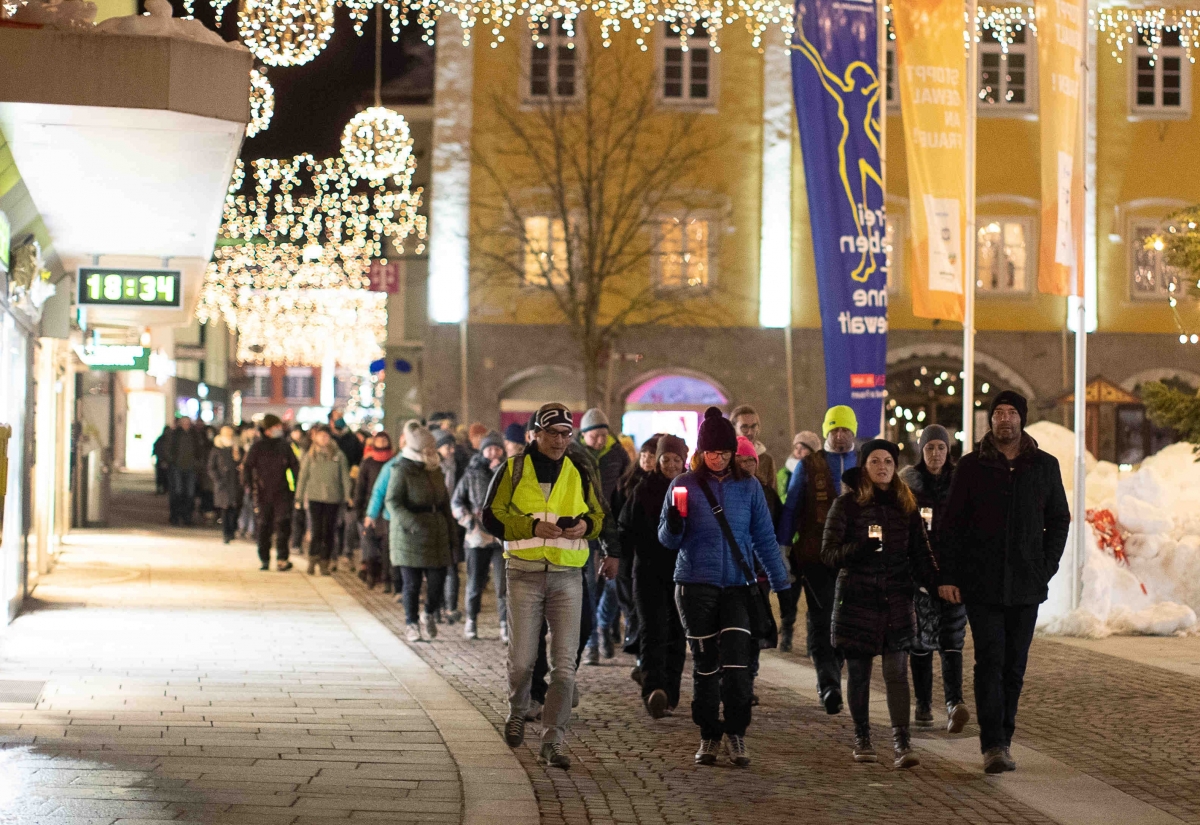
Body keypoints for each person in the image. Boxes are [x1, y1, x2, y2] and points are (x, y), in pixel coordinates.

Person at [940, 391, 1070, 774]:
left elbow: (1059, 519)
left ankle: (1005, 737)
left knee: (1014, 666)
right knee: (989, 661)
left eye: (1012, 413)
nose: (1005, 420)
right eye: (999, 413)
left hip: (1027, 584)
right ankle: (992, 744)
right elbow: (952, 526)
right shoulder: (970, 467)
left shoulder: (1044, 466)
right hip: (982, 584)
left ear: (1022, 419)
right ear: (990, 420)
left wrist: (1045, 564)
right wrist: (949, 574)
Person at [660, 407, 789, 768]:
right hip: (694, 584)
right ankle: (708, 735)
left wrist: (781, 582)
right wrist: (673, 522)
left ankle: (736, 732)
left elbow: (764, 538)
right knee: (705, 666)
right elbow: (668, 541)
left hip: (736, 585)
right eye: (712, 453)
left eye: (725, 453)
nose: (718, 459)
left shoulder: (748, 488)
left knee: (737, 666)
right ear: (701, 453)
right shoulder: (683, 484)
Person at [483, 402, 609, 770]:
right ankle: (518, 708)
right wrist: (531, 527)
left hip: (568, 576)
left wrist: (587, 527)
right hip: (523, 573)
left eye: (566, 433)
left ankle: (553, 739)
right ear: (535, 434)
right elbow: (491, 516)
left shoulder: (580, 467)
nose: (560, 440)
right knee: (523, 661)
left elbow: (600, 515)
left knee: (565, 667)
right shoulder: (513, 468)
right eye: (552, 433)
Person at [821, 439, 942, 769]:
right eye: (875, 461)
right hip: (858, 600)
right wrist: (859, 548)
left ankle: (902, 741)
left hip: (896, 599)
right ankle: (862, 736)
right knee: (859, 674)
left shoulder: (906, 506)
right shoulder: (846, 506)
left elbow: (921, 554)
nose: (883, 467)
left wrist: (938, 583)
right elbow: (829, 554)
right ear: (864, 467)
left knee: (896, 673)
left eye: (888, 461)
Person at [775, 405, 858, 702]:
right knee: (822, 617)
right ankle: (828, 682)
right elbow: (791, 509)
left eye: (845, 430)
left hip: (854, 560)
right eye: (834, 430)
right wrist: (783, 549)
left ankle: (835, 667)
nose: (839, 436)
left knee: (847, 618)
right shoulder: (808, 466)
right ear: (826, 432)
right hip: (816, 557)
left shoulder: (864, 463)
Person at [899, 425, 970, 733]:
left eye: (941, 448)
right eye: (930, 448)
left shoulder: (961, 484)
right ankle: (924, 703)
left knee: (953, 639)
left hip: (955, 573)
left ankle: (955, 702)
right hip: (919, 576)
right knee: (921, 642)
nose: (936, 454)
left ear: (948, 450)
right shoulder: (909, 485)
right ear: (922, 451)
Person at [620, 435, 687, 717]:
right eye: (665, 460)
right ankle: (653, 690)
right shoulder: (643, 489)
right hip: (648, 570)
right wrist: (616, 561)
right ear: (658, 462)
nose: (671, 465)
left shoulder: (690, 489)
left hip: (683, 572)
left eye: (676, 460)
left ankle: (670, 693)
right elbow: (625, 528)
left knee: (677, 633)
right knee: (652, 629)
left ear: (684, 461)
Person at [387, 425, 458, 642]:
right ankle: (411, 624)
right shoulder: (401, 469)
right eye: (428, 448)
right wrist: (411, 522)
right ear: (418, 450)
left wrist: (452, 532)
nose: (432, 452)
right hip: (410, 536)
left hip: (436, 534)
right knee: (412, 584)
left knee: (438, 580)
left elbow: (445, 503)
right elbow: (392, 501)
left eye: (432, 448)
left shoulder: (435, 469)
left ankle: (428, 613)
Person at [578, 407, 632, 663]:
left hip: (611, 526)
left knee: (613, 584)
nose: (600, 440)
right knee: (589, 586)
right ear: (584, 435)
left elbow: (626, 484)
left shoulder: (617, 453)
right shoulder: (574, 453)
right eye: (594, 436)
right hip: (585, 527)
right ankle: (591, 643)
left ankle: (602, 624)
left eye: (603, 435)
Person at [452, 431, 509, 641]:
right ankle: (472, 621)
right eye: (489, 448)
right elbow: (457, 501)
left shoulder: (509, 472)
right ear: (482, 450)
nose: (493, 452)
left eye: (497, 448)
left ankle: (504, 624)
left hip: (502, 537)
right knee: (475, 582)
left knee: (503, 585)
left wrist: (499, 474)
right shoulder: (471, 473)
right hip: (477, 536)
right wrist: (468, 522)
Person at [241, 414, 299, 571]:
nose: (279, 429)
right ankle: (264, 558)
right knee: (263, 526)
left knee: (283, 525)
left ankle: (282, 558)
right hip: (262, 492)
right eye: (276, 427)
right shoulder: (258, 447)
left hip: (282, 492)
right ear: (267, 429)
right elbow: (247, 467)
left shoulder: (285, 446)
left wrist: (295, 488)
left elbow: (295, 466)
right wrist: (248, 485)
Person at [296, 425, 354, 576]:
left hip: (333, 498)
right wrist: (299, 497)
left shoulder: (338, 455)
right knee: (316, 529)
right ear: (315, 437)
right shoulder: (311, 455)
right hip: (315, 497)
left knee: (329, 531)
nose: (323, 438)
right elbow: (303, 477)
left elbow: (345, 477)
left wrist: (348, 496)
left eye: (326, 436)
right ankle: (313, 558)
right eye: (320, 436)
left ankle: (325, 561)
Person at [355, 431, 395, 588]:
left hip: (388, 510)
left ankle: (386, 576)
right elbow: (361, 487)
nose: (382, 443)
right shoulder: (368, 463)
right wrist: (359, 509)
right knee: (370, 543)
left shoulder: (393, 462)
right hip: (370, 509)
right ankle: (371, 574)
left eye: (385, 440)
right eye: (379, 440)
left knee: (386, 544)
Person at [164, 416, 206, 526]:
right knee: (177, 492)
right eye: (184, 423)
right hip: (177, 467)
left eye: (188, 423)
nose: (186, 425)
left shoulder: (194, 435)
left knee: (190, 494)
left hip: (190, 468)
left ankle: (187, 517)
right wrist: (171, 461)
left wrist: (197, 463)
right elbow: (168, 449)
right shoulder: (175, 434)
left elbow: (199, 450)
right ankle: (175, 516)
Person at [207, 425, 243, 544]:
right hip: (223, 484)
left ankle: (232, 530)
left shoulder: (237, 447)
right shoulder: (217, 449)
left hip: (235, 482)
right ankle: (226, 533)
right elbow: (211, 467)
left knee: (234, 507)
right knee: (225, 508)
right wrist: (217, 480)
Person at [777, 431, 821, 498]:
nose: (798, 452)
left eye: (803, 448)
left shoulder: (821, 472)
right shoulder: (784, 473)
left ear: (813, 452)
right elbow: (779, 499)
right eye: (796, 448)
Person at [288, 427, 310, 555]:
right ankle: (296, 542)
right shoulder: (289, 446)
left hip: (304, 486)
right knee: (297, 516)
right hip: (294, 485)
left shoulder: (306, 449)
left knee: (303, 516)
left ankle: (299, 542)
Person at [152, 426, 171, 495]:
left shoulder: (169, 439)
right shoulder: (161, 439)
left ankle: (164, 489)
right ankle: (161, 489)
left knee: (165, 476)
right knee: (161, 476)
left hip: (167, 461)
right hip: (161, 461)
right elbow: (157, 448)